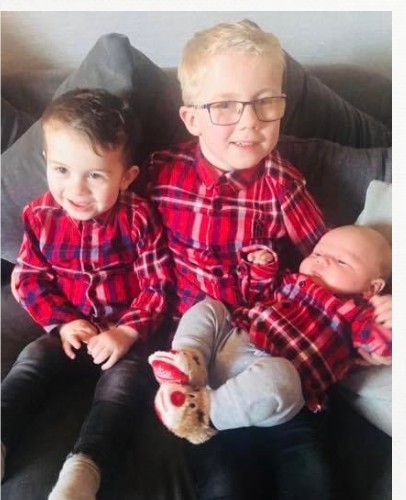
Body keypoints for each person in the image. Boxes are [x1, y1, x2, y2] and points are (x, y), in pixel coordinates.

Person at [142, 20, 392, 499]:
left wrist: (375, 314)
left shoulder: (282, 184)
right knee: (225, 480)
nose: (250, 122)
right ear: (191, 118)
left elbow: (332, 259)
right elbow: (123, 232)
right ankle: (191, 389)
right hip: (203, 353)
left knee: (310, 470)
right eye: (224, 105)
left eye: (265, 102)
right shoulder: (161, 172)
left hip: (277, 350)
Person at [1, 88, 174, 500]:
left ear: (126, 176)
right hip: (70, 330)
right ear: (46, 160)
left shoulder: (139, 218)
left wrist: (126, 332)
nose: (76, 189)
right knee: (32, 360)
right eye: (61, 169)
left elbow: (158, 285)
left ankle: (85, 467)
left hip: (124, 336)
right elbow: (29, 279)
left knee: (124, 386)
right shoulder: (40, 215)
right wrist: (62, 322)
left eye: (95, 175)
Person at [149, 225, 392, 442]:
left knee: (282, 375)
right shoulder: (289, 280)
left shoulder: (357, 316)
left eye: (341, 261)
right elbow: (252, 295)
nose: (321, 261)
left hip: (270, 388)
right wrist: (261, 269)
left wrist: (390, 322)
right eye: (317, 253)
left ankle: (203, 413)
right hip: (228, 344)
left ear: (371, 288)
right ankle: (187, 362)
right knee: (210, 307)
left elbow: (379, 347)